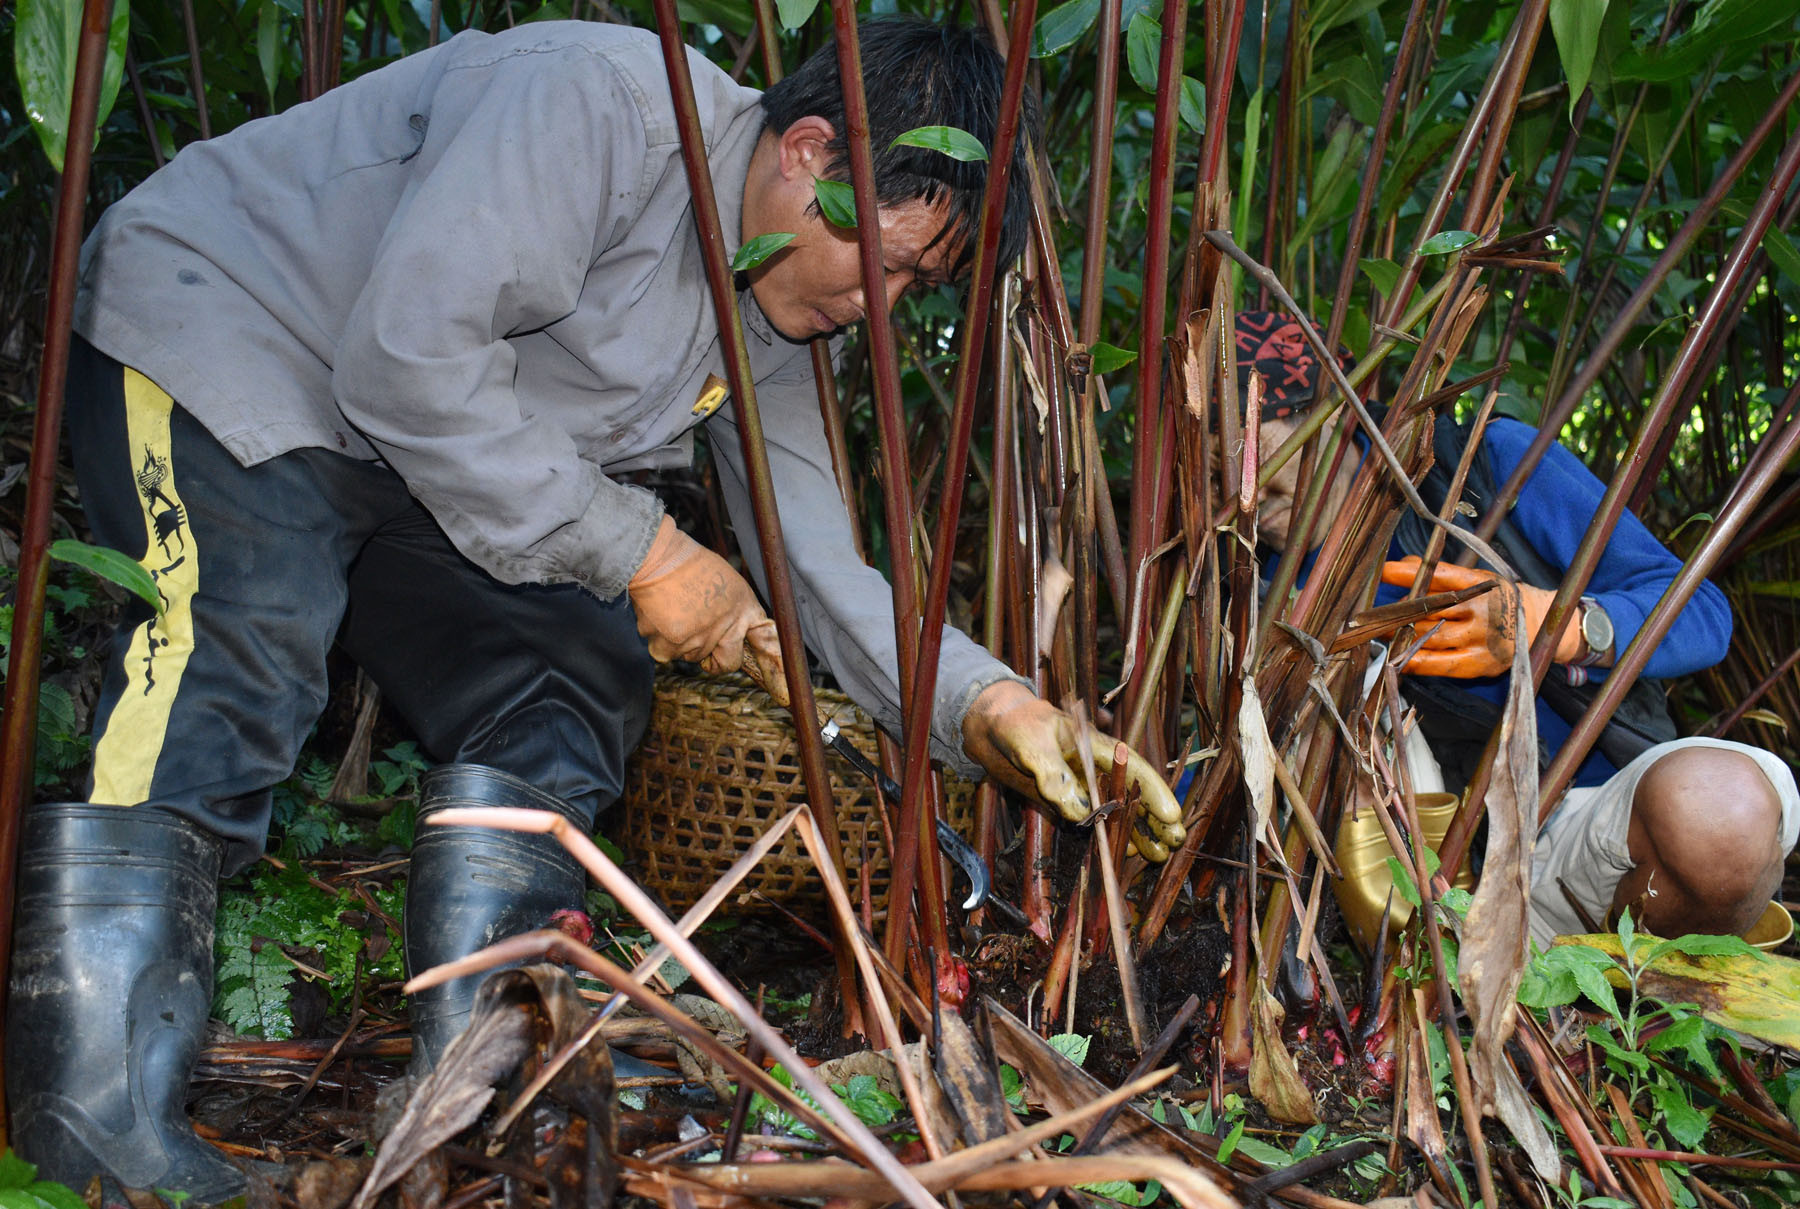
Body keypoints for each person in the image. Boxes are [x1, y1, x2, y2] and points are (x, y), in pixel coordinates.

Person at [13, 19, 1185, 1201]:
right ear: (811, 153)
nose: (875, 309)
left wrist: (994, 707)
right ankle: (95, 1127)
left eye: (913, 291)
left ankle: (480, 1088)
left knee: (574, 676)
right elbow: (410, 357)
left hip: (412, 453)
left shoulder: (769, 318)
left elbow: (818, 566)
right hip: (232, 337)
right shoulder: (604, 105)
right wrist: (651, 552)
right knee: (238, 649)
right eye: (885, 266)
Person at [1229, 310, 1797, 954]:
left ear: (1332, 420)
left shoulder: (1486, 468)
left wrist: (1559, 626)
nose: (1250, 500)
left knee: (1722, 817)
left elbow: (1705, 616)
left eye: (1268, 466)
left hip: (1587, 831)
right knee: (1323, 688)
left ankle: (1632, 976)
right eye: (1226, 479)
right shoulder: (1267, 589)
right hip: (1434, 890)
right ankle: (1440, 973)